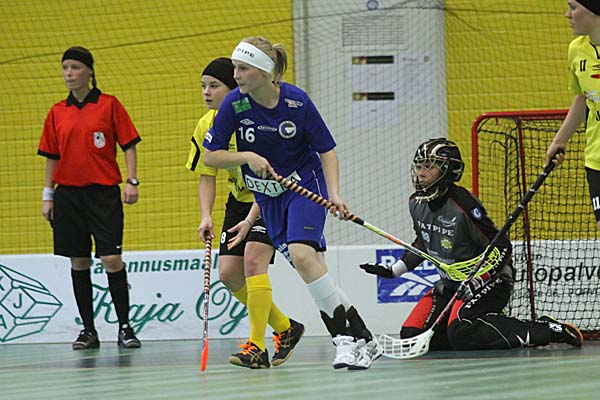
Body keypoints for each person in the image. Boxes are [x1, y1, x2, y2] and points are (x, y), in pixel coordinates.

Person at [203, 37, 380, 370]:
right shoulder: (235, 104)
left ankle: (342, 341)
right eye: (235, 68)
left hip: (303, 187)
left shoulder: (297, 102)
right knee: (312, 268)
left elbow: (326, 150)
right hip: (267, 198)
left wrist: (334, 193)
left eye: (243, 68)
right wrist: (246, 156)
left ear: (264, 71)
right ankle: (364, 338)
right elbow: (211, 156)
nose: (235, 75)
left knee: (301, 255)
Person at [360, 138, 583, 352]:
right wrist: (394, 270)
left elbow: (501, 246)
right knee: (412, 336)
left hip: (491, 280)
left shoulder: (463, 205)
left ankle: (547, 329)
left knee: (461, 331)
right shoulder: (416, 203)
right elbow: (424, 242)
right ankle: (474, 330)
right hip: (451, 284)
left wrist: (479, 280)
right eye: (418, 166)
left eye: (428, 166)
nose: (421, 173)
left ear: (447, 170)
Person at [186, 57, 304, 369]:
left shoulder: (256, 118)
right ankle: (286, 328)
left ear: (234, 89)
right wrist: (206, 215)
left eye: (214, 86)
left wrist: (252, 218)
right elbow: (207, 175)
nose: (206, 92)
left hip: (271, 197)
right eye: (203, 86)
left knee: (253, 261)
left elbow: (271, 173)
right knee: (228, 273)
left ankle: (256, 347)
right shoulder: (206, 125)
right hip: (238, 199)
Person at [38, 46, 141, 350]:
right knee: (79, 260)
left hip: (103, 194)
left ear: (89, 71)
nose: (69, 74)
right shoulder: (57, 111)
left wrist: (131, 181)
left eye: (75, 67)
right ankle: (88, 330)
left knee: (111, 259)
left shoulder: (109, 105)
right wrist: (48, 196)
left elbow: (129, 144)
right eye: (65, 68)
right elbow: (51, 156)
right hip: (68, 196)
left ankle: (125, 327)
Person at [546, 0, 600, 231]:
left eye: (573, 7)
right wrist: (559, 140)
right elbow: (582, 98)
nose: (567, 15)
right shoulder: (577, 50)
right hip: (596, 159)